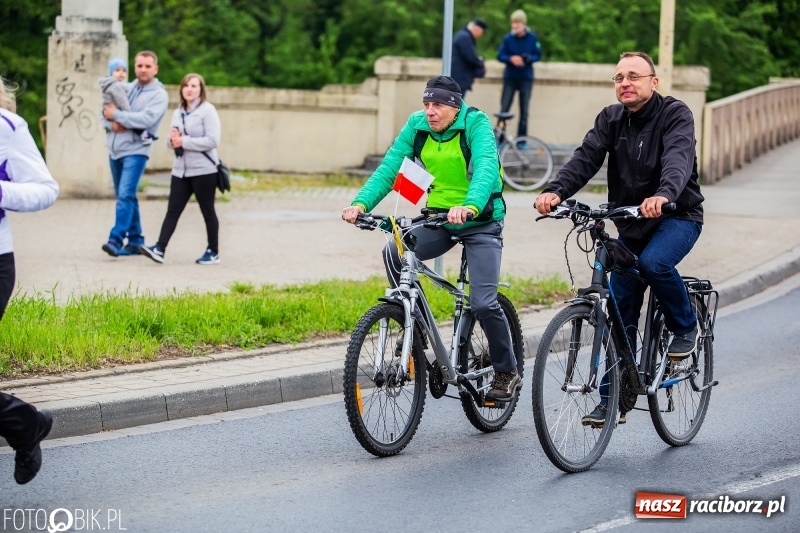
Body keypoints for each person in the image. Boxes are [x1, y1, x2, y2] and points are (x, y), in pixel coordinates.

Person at [534, 51, 705, 426]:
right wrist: (556, 191)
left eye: (633, 76)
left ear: (653, 82)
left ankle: (684, 326)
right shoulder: (610, 119)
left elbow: (679, 159)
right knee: (619, 308)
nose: (625, 83)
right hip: (629, 223)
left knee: (654, 263)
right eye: (618, 78)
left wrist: (664, 196)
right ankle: (613, 400)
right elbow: (586, 158)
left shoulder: (675, 114)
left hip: (676, 216)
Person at [342, 76, 520, 401]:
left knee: (482, 301)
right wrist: (360, 203)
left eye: (437, 105)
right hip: (440, 218)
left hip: (480, 220)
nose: (430, 112)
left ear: (454, 106)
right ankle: (417, 326)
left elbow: (484, 168)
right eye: (426, 104)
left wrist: (469, 205)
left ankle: (506, 370)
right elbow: (391, 167)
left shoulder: (475, 124)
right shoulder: (417, 125)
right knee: (395, 250)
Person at [0, 77, 57, 484]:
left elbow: (45, 189)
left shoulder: (7, 126)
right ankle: (25, 424)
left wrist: (0, 191)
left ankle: (25, 424)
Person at [140, 73, 221, 265]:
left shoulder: (208, 111)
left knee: (207, 210)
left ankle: (213, 251)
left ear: (201, 89)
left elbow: (213, 140)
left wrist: (183, 141)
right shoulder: (178, 112)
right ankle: (160, 248)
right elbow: (171, 141)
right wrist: (173, 140)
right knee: (173, 210)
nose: (189, 89)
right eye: (186, 86)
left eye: (194, 86)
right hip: (181, 170)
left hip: (204, 170)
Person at [100, 50, 168, 258]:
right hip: (115, 149)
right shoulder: (125, 88)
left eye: (148, 66)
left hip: (137, 151)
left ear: (155, 69)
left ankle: (116, 238)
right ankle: (136, 240)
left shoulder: (158, 95)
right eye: (139, 65)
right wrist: (112, 123)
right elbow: (104, 111)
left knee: (125, 195)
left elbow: (145, 120)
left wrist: (118, 116)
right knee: (126, 196)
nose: (143, 69)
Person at [497, 9, 542, 140]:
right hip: (510, 77)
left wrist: (528, 58)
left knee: (524, 111)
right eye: (513, 23)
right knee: (504, 109)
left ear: (523, 24)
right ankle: (499, 139)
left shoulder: (532, 38)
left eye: (517, 23)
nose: (514, 26)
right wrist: (511, 59)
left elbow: (538, 55)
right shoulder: (508, 38)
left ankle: (522, 140)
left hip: (525, 78)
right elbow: (500, 55)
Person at [98, 58, 156, 146]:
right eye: (117, 70)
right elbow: (122, 100)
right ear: (111, 73)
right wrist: (128, 113)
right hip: (115, 110)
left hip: (108, 111)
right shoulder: (116, 86)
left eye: (124, 71)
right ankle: (146, 137)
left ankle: (108, 141)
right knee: (135, 125)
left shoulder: (110, 84)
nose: (121, 73)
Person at [451, 19, 487, 100]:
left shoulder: (463, 35)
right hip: (459, 79)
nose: (481, 35)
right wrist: (481, 63)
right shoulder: (465, 37)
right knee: (457, 105)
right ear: (478, 29)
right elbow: (470, 57)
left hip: (458, 78)